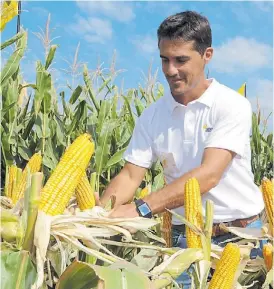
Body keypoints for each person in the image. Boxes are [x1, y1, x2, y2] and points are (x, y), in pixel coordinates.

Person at [98, 10, 265, 288]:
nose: (170, 70)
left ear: (207, 55)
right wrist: (100, 214)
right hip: (181, 239)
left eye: (181, 60)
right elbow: (130, 175)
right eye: (164, 59)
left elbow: (209, 174)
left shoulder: (231, 105)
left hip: (239, 237)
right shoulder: (152, 116)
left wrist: (141, 208)